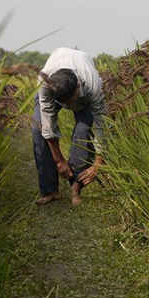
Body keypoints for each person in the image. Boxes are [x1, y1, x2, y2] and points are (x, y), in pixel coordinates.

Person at [32, 47, 107, 206]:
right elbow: (48, 125)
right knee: (38, 131)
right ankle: (50, 191)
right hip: (54, 84)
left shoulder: (92, 85)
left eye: (71, 100)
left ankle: (75, 187)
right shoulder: (45, 86)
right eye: (65, 102)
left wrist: (98, 162)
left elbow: (101, 125)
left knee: (83, 130)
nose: (68, 106)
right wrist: (59, 160)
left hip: (84, 88)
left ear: (78, 86)